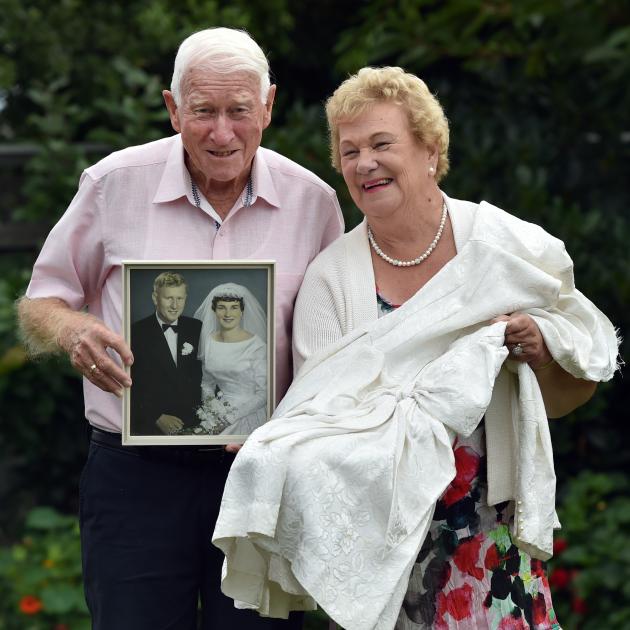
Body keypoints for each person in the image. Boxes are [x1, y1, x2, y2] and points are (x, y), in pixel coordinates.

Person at [210, 67, 618, 629]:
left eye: (382, 144)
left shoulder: (503, 245)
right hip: (378, 542)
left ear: (430, 150)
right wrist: (275, 446)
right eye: (349, 151)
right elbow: (323, 411)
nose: (363, 163)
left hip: (487, 533)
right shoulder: (330, 278)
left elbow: (583, 370)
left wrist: (541, 342)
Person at [16, 27, 343, 630]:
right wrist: (73, 333)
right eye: (203, 111)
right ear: (172, 109)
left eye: (240, 111)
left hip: (260, 477)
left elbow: (341, 348)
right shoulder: (113, 184)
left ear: (268, 106)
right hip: (134, 477)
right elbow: (42, 301)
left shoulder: (314, 203)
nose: (223, 133)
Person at [129, 271, 202, 435]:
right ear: (155, 298)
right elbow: (130, 383)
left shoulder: (197, 328)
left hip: (194, 425)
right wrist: (155, 416)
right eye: (169, 298)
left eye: (180, 298)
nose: (175, 305)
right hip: (151, 428)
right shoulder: (135, 332)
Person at [194, 282, 268, 435]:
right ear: (214, 310)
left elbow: (264, 393)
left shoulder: (257, 346)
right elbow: (207, 385)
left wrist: (229, 418)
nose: (228, 314)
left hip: (248, 412)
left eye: (234, 307)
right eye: (222, 307)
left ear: (242, 311)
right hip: (218, 412)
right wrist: (213, 411)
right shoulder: (208, 341)